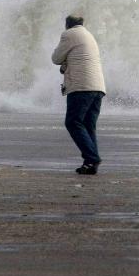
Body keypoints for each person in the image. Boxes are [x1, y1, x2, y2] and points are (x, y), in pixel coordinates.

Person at [52, 12, 106, 175]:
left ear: (67, 24)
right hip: (98, 87)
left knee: (73, 122)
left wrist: (64, 60)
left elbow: (56, 58)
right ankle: (90, 164)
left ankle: (92, 158)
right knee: (88, 125)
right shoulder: (89, 35)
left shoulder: (69, 34)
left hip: (81, 87)